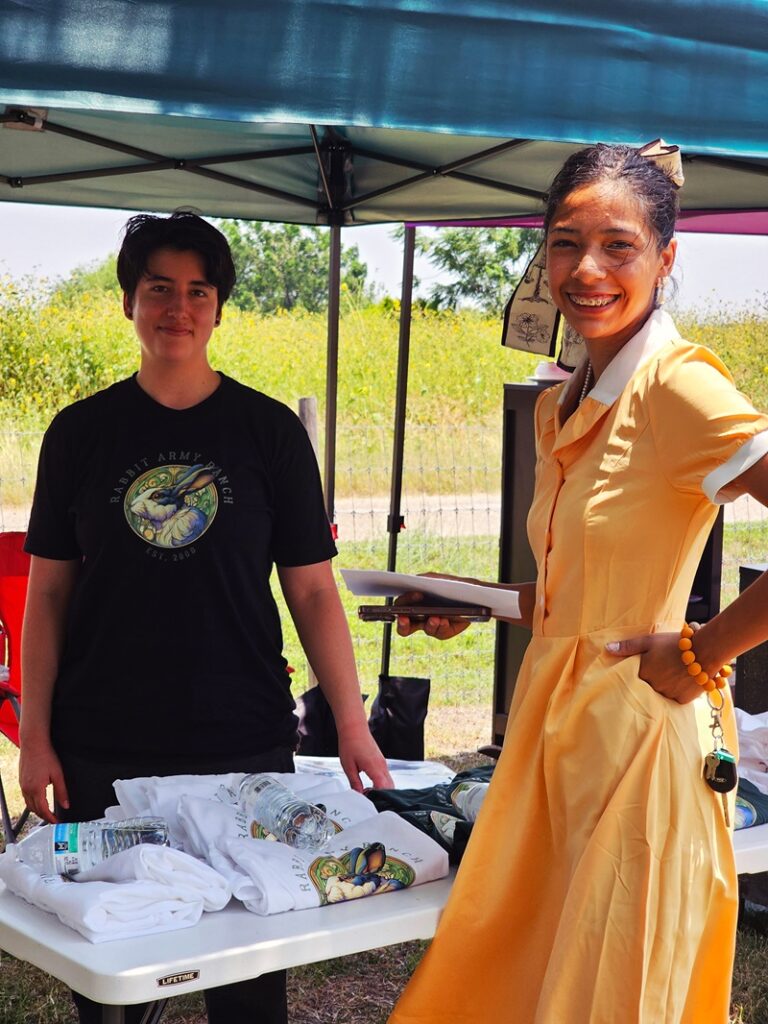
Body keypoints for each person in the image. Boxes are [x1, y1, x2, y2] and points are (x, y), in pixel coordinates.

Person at [388, 143, 768, 1023]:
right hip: (551, 733)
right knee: (513, 981)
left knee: (611, 994)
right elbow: (578, 598)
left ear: (666, 258)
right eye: (564, 243)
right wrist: (477, 599)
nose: (586, 269)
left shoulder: (680, 387)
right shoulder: (563, 402)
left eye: (618, 245)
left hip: (638, 742)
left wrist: (707, 649)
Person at [18, 211, 392, 1024]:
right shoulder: (79, 433)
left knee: (250, 968)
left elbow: (314, 592)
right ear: (128, 303)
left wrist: (354, 726)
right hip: (101, 747)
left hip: (241, 741)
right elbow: (47, 594)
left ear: (219, 307)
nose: (177, 308)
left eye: (198, 290)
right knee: (110, 963)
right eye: (159, 289)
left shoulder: (270, 434)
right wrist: (38, 738)